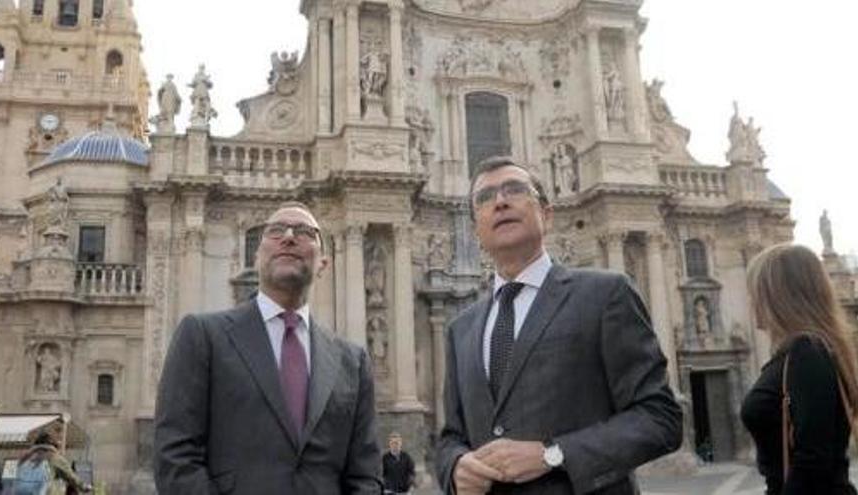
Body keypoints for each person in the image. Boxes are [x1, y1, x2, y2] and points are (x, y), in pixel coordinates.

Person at [435, 156, 682, 494]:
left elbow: (660, 418)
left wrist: (554, 454)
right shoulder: (460, 329)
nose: (500, 201)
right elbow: (451, 437)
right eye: (485, 197)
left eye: (515, 189)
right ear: (476, 229)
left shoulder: (605, 294)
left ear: (546, 215)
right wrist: (454, 468)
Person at [154, 202, 383, 494]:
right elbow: (175, 458)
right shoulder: (202, 336)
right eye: (275, 231)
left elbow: (365, 475)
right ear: (257, 255)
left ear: (323, 262)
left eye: (304, 232)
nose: (288, 236)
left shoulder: (353, 362)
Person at [741, 244, 858, 494]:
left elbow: (812, 460)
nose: (750, 303)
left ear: (779, 296)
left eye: (756, 293)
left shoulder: (808, 352)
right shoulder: (800, 352)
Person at [13, 431, 91, 494]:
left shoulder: (27, 457)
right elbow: (70, 476)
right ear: (53, 445)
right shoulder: (54, 457)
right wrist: (84, 486)